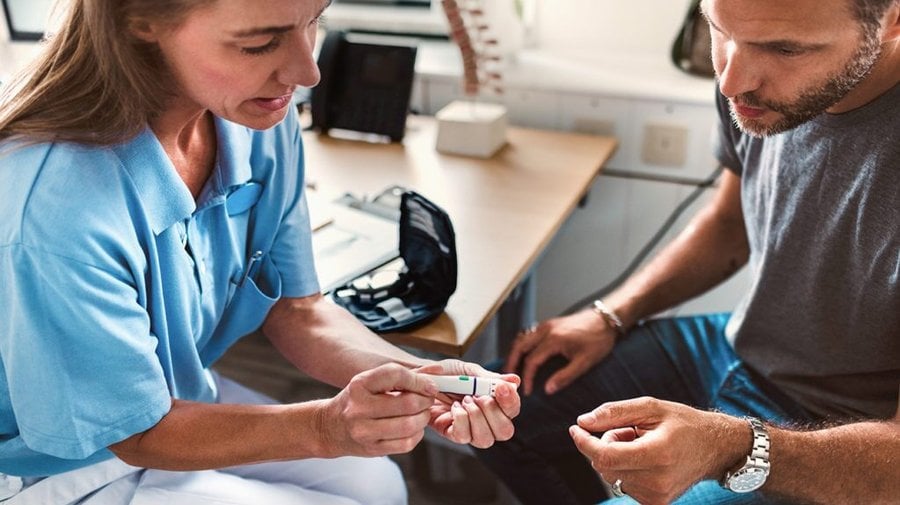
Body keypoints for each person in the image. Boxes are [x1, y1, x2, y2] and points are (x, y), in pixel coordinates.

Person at [0, 0, 521, 503]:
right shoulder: (55, 211)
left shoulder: (254, 116)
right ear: (141, 24)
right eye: (259, 43)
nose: (306, 70)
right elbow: (135, 432)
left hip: (173, 398)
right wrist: (327, 427)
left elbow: (300, 311)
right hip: (55, 462)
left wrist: (425, 379)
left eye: (313, 21)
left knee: (378, 486)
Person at [476, 0, 900, 503]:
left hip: (853, 423)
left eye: (784, 49)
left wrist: (731, 447)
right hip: (736, 345)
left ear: (893, 19)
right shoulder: (752, 83)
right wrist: (611, 315)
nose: (731, 82)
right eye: (719, 31)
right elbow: (728, 227)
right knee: (501, 411)